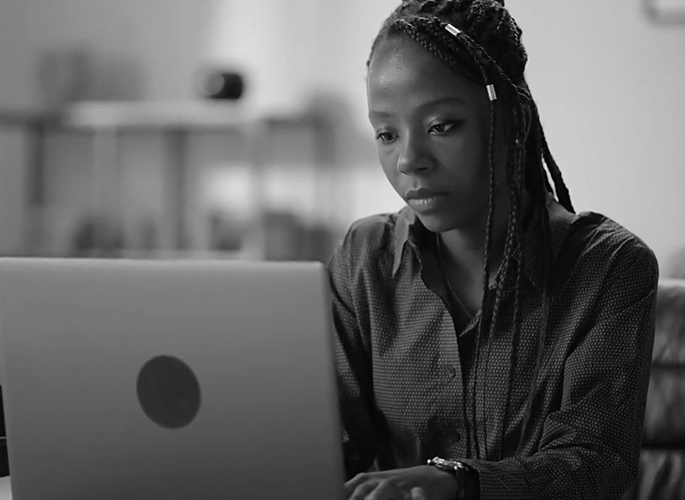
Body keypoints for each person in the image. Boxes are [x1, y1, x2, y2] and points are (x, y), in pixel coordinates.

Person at [326, 1, 659, 499]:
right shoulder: (363, 258)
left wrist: (460, 484)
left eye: (441, 125)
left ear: (509, 116)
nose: (409, 160)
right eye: (387, 134)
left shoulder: (609, 268)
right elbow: (333, 442)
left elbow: (596, 467)